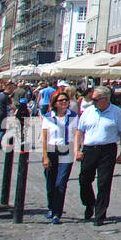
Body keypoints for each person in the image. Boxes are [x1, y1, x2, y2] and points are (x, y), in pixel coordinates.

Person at [72, 86, 121, 226]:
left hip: (107, 150)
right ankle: (89, 203)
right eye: (92, 99)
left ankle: (100, 214)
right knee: (84, 179)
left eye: (96, 99)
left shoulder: (116, 112)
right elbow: (79, 131)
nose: (93, 102)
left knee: (104, 182)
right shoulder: (88, 112)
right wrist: (77, 150)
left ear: (105, 99)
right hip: (89, 149)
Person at [40, 91, 77, 224]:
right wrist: (45, 156)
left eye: (66, 100)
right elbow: (44, 138)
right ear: (55, 103)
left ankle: (57, 213)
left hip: (66, 151)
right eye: (61, 100)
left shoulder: (73, 116)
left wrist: (77, 150)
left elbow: (77, 134)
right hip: (51, 150)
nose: (64, 102)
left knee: (60, 184)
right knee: (50, 184)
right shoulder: (48, 117)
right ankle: (51, 207)